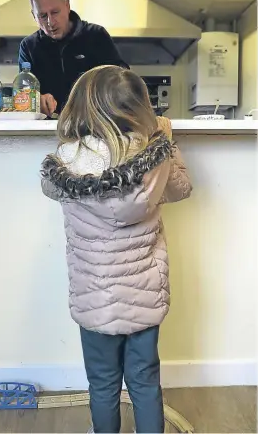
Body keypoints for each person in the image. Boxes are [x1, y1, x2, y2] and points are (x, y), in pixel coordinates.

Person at [40, 65, 192, 433]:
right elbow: (182, 188)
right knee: (144, 382)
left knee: (103, 385)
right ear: (138, 109)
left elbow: (49, 188)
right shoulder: (154, 154)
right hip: (143, 300)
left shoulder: (67, 160)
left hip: (94, 302)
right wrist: (164, 140)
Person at [18, 0, 128, 117]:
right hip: (48, 127)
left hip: (95, 124)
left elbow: (121, 79)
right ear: (34, 16)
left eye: (55, 12)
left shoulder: (96, 35)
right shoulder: (28, 47)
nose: (50, 22)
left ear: (67, 5)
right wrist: (36, 100)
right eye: (43, 16)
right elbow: (23, 95)